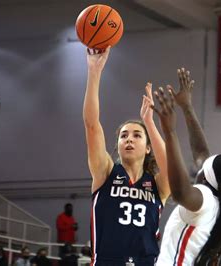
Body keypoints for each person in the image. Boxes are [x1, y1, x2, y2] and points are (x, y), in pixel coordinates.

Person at [83, 47, 170, 265]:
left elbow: (170, 166)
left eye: (137, 135)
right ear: (118, 144)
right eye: (123, 136)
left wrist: (149, 122)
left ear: (148, 147)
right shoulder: (105, 172)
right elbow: (92, 125)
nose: (129, 139)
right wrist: (94, 72)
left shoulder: (157, 185)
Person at [152, 68, 221, 266]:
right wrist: (187, 107)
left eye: (202, 169)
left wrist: (170, 132)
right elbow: (201, 152)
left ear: (205, 178)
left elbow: (179, 193)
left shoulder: (203, 198)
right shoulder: (218, 204)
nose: (199, 166)